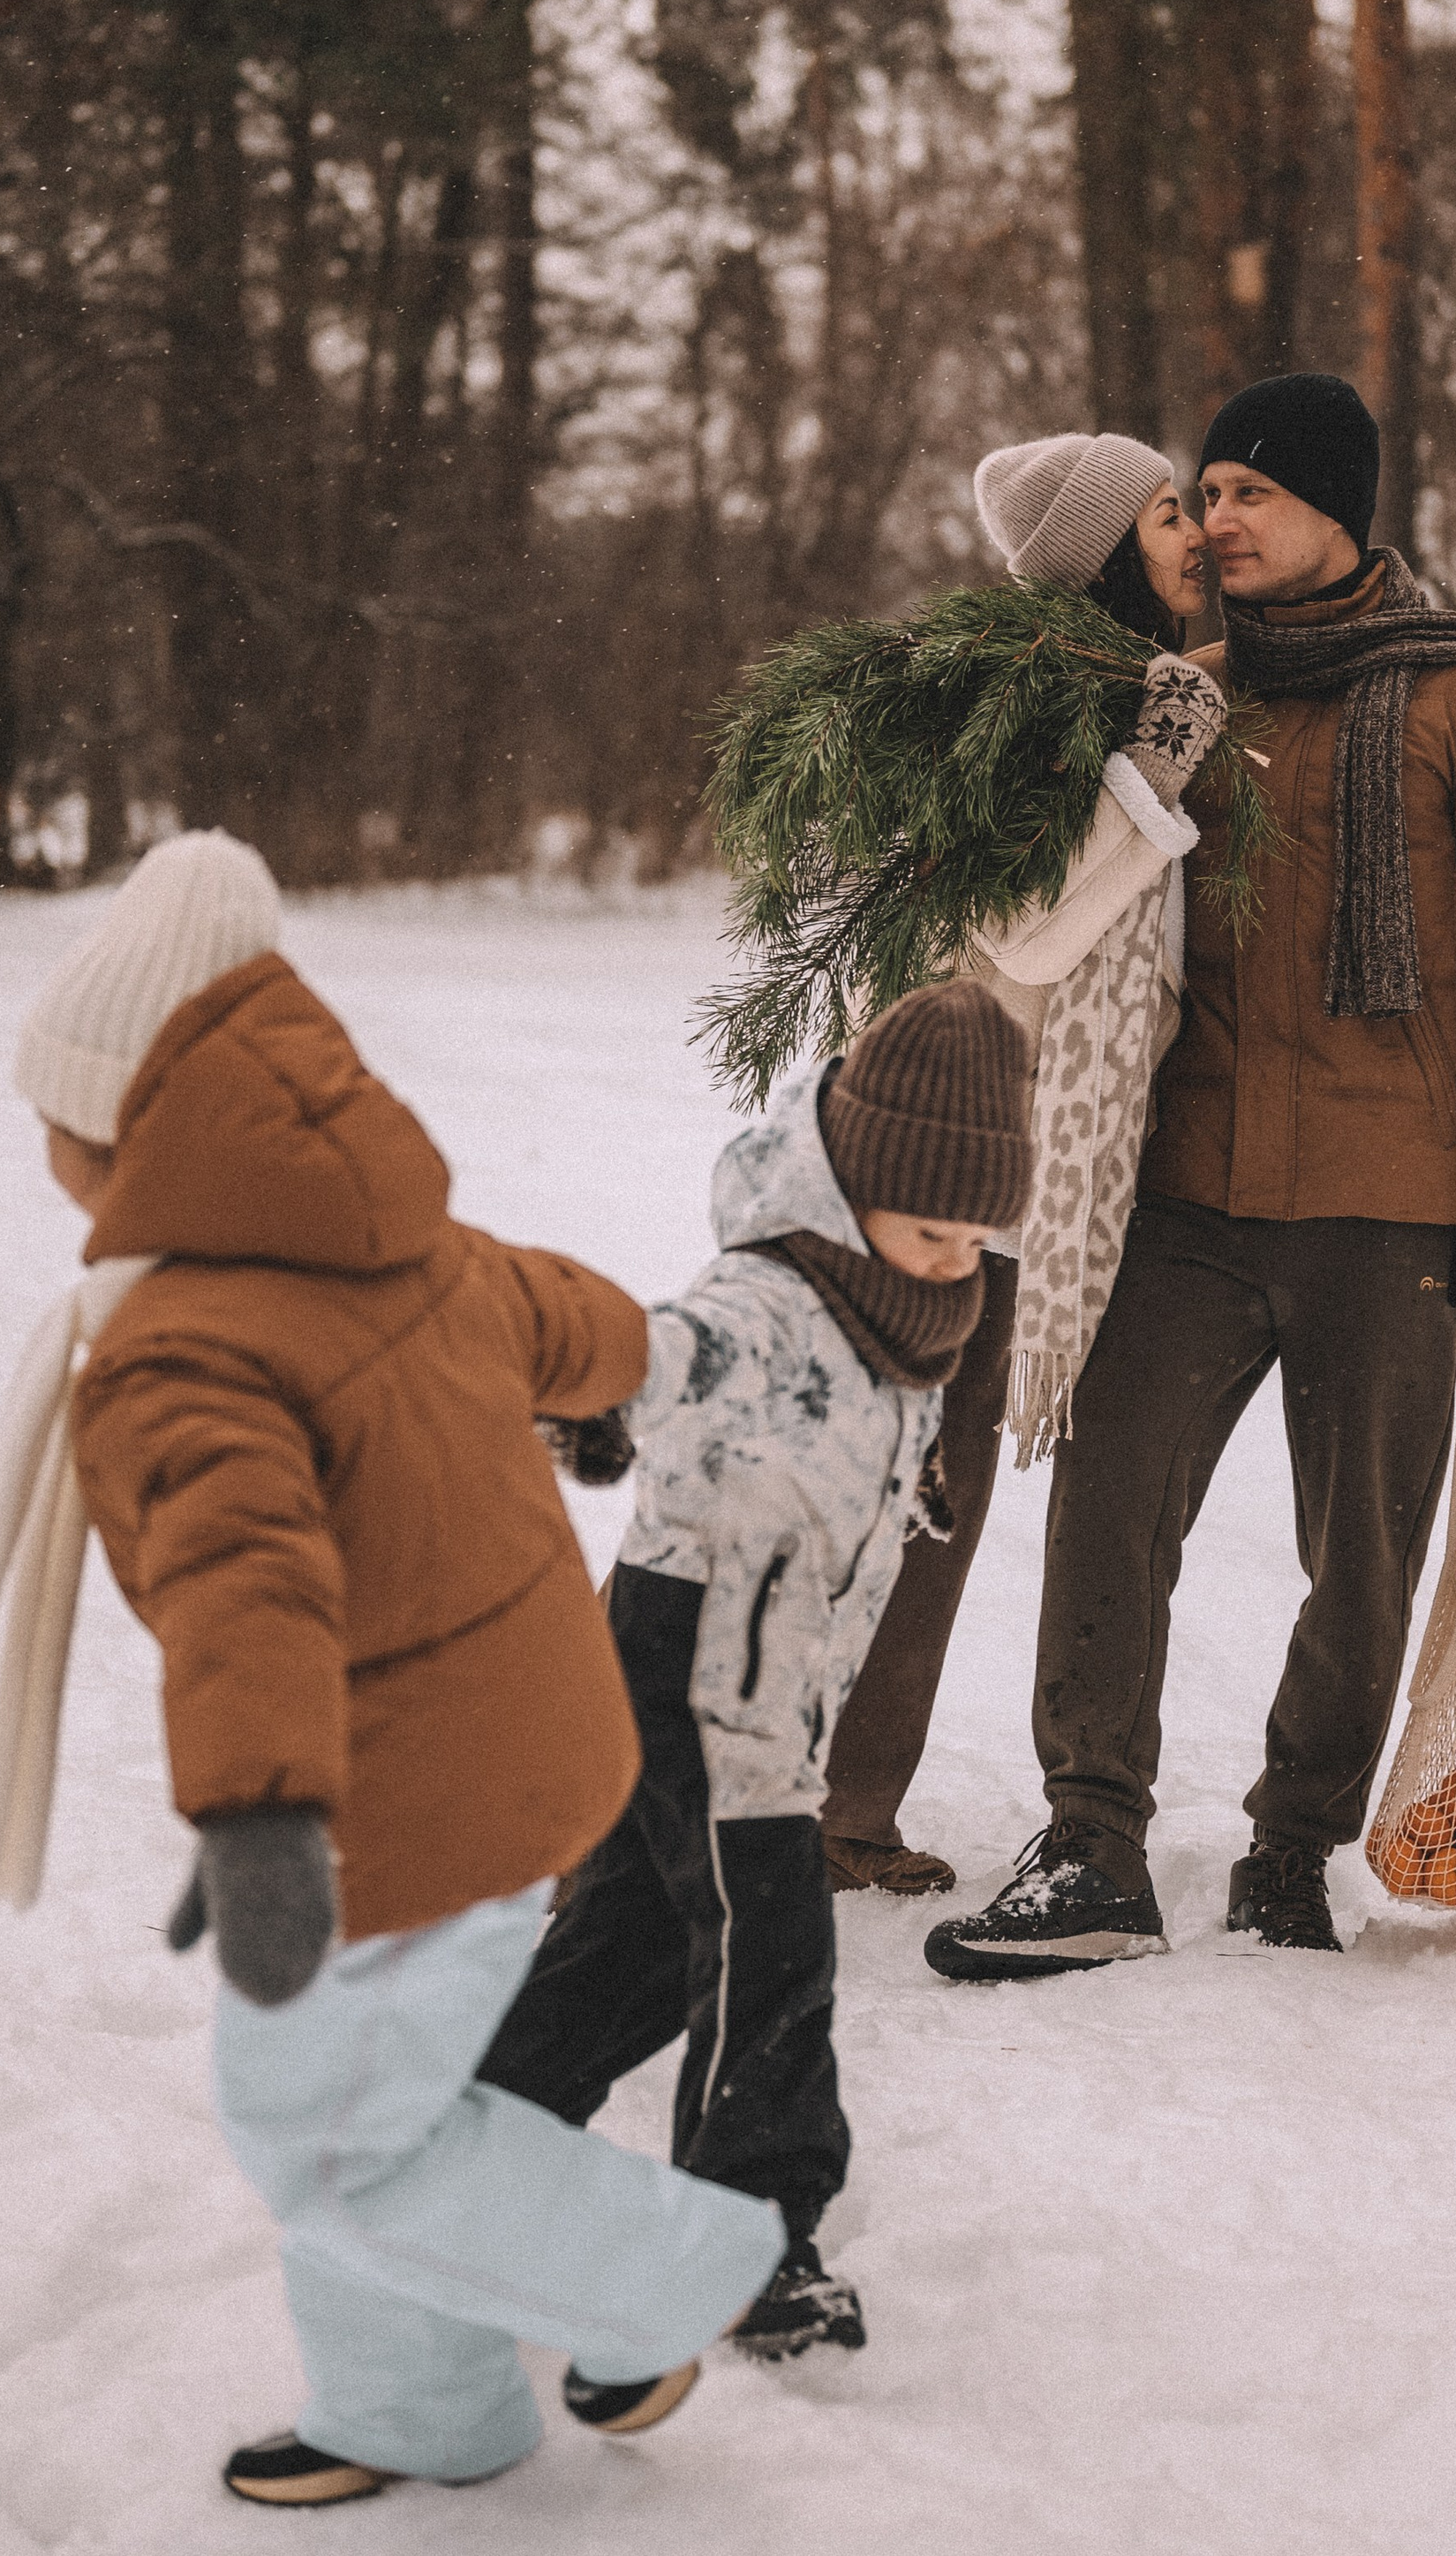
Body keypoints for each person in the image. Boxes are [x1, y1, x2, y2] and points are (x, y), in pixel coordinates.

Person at [7, 833, 783, 2508]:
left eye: (58, 1124)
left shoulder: (180, 1345)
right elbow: (557, 1307)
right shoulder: (392, 1234)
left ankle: (655, 2281)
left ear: (123, 1135)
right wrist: (607, 1386)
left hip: (405, 1797)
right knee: (377, 2111)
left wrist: (265, 1812)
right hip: (530, 1740)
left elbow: (248, 1582)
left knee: (324, 2130)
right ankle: (423, 2407)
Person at [925, 372, 1456, 1979]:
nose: (1215, 520)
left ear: (1333, 512)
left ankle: (1292, 1843)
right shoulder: (1185, 698)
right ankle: (1091, 1839)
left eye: (1248, 492)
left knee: (1360, 1551)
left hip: (1396, 1200)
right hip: (1190, 1193)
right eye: (1205, 491)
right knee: (1107, 1501)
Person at [479, 982, 1035, 2357]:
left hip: (773, 1668)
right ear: (854, 1180)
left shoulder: (911, 1303)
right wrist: (602, 1402)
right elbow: (679, 1351)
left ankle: (476, 2135)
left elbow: (869, 1436)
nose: (949, 1256)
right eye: (926, 1226)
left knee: (640, 1939)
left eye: (973, 1233)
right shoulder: (776, 1290)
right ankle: (748, 2240)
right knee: (774, 1935)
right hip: (703, 1655)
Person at [819, 434, 1222, 1898]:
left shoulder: (1128, 692)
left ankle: (845, 1807)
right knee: (866, 1489)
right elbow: (1025, 927)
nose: (1195, 531)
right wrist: (1149, 773)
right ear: (1106, 546)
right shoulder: (1034, 702)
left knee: (933, 1502)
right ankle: (713, 1785)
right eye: (1170, 513)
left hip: (1016, 1172)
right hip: (943, 1158)